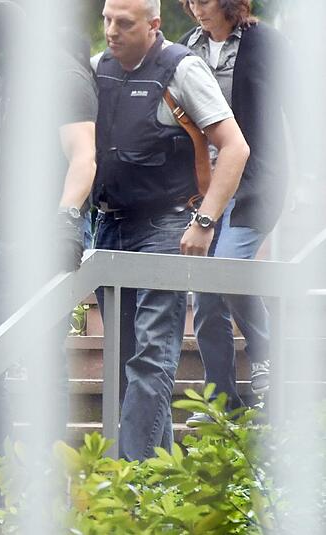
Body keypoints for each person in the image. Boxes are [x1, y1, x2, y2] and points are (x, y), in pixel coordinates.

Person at [0, 0, 99, 508]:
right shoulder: (7, 81)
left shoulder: (63, 77)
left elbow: (83, 156)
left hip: (43, 242)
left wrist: (64, 220)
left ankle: (47, 475)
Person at [91, 0, 250, 461]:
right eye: (107, 20)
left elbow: (235, 147)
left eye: (124, 23)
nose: (112, 31)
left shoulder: (183, 68)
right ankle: (157, 479)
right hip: (109, 225)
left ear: (154, 25)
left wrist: (206, 221)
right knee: (125, 360)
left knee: (151, 356)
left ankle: (130, 477)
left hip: (166, 226)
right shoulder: (96, 67)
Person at [176, 0, 291, 422]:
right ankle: (221, 401)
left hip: (257, 183)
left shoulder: (266, 43)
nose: (196, 9)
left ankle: (266, 353)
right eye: (190, 1)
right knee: (206, 293)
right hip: (206, 188)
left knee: (227, 267)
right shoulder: (187, 47)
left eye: (204, 0)